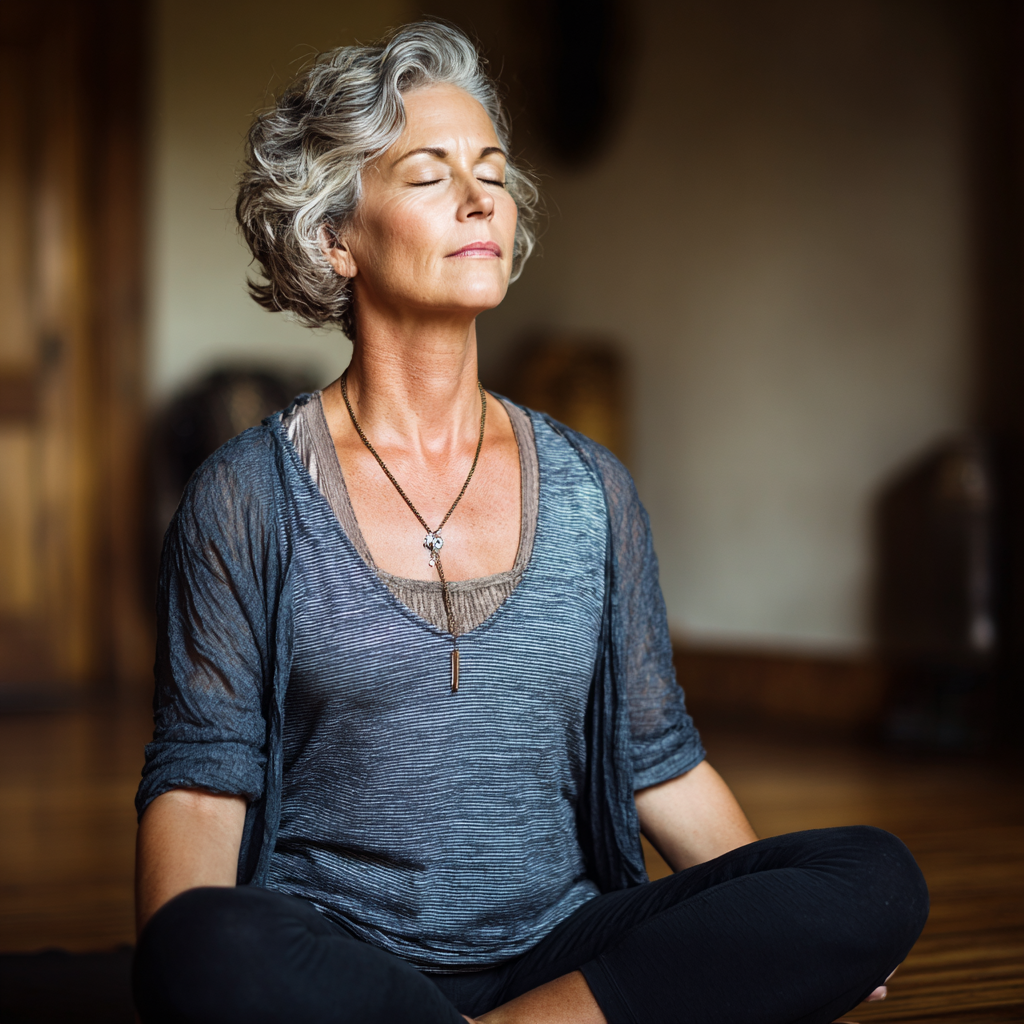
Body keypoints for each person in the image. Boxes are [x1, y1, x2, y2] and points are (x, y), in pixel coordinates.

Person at [131, 22, 928, 1024]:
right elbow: (202, 786)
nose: (480, 200)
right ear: (333, 237)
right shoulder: (245, 494)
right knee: (202, 943)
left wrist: (775, 917)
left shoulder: (591, 488)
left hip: (564, 948)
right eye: (429, 175)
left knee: (875, 876)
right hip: (338, 956)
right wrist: (181, 966)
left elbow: (656, 756)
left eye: (493, 173)